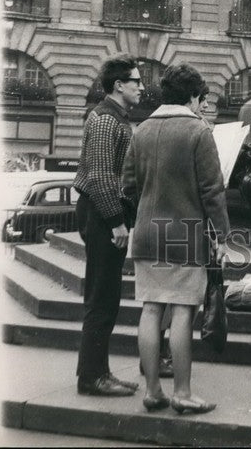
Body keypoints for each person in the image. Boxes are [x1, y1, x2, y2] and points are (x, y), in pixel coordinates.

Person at [122, 64, 229, 414]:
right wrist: (223, 237)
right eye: (201, 99)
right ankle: (182, 392)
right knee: (183, 312)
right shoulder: (198, 131)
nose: (202, 107)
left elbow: (128, 187)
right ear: (192, 96)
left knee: (151, 310)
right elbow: (212, 190)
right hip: (184, 237)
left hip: (147, 235)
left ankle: (153, 391)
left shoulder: (141, 130)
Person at [73, 54, 142, 397]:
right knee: (102, 298)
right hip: (102, 213)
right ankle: (91, 378)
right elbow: (100, 177)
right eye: (137, 81)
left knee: (106, 297)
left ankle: (100, 372)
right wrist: (116, 223)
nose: (142, 87)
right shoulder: (104, 119)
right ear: (119, 85)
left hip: (103, 212)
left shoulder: (114, 117)